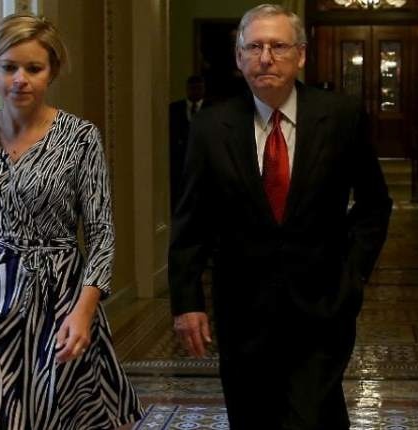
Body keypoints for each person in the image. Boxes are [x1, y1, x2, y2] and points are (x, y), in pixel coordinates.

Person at [0, 14, 143, 429]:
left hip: (58, 297)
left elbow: (102, 233)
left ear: (51, 71)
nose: (20, 79)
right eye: (9, 67)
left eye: (33, 68)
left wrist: (84, 312)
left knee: (57, 412)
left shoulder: (80, 138)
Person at [168, 4, 392, 430]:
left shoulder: (340, 116)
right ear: (238, 58)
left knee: (313, 416)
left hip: (323, 304)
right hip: (243, 311)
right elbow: (191, 219)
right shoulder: (212, 127)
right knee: (252, 416)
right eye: (253, 47)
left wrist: (353, 275)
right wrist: (188, 302)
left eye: (277, 46)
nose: (265, 58)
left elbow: (374, 205)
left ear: (300, 55)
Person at [169, 75, 207, 211]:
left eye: (199, 88)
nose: (195, 91)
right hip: (179, 166)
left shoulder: (212, 109)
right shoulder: (173, 109)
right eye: (192, 88)